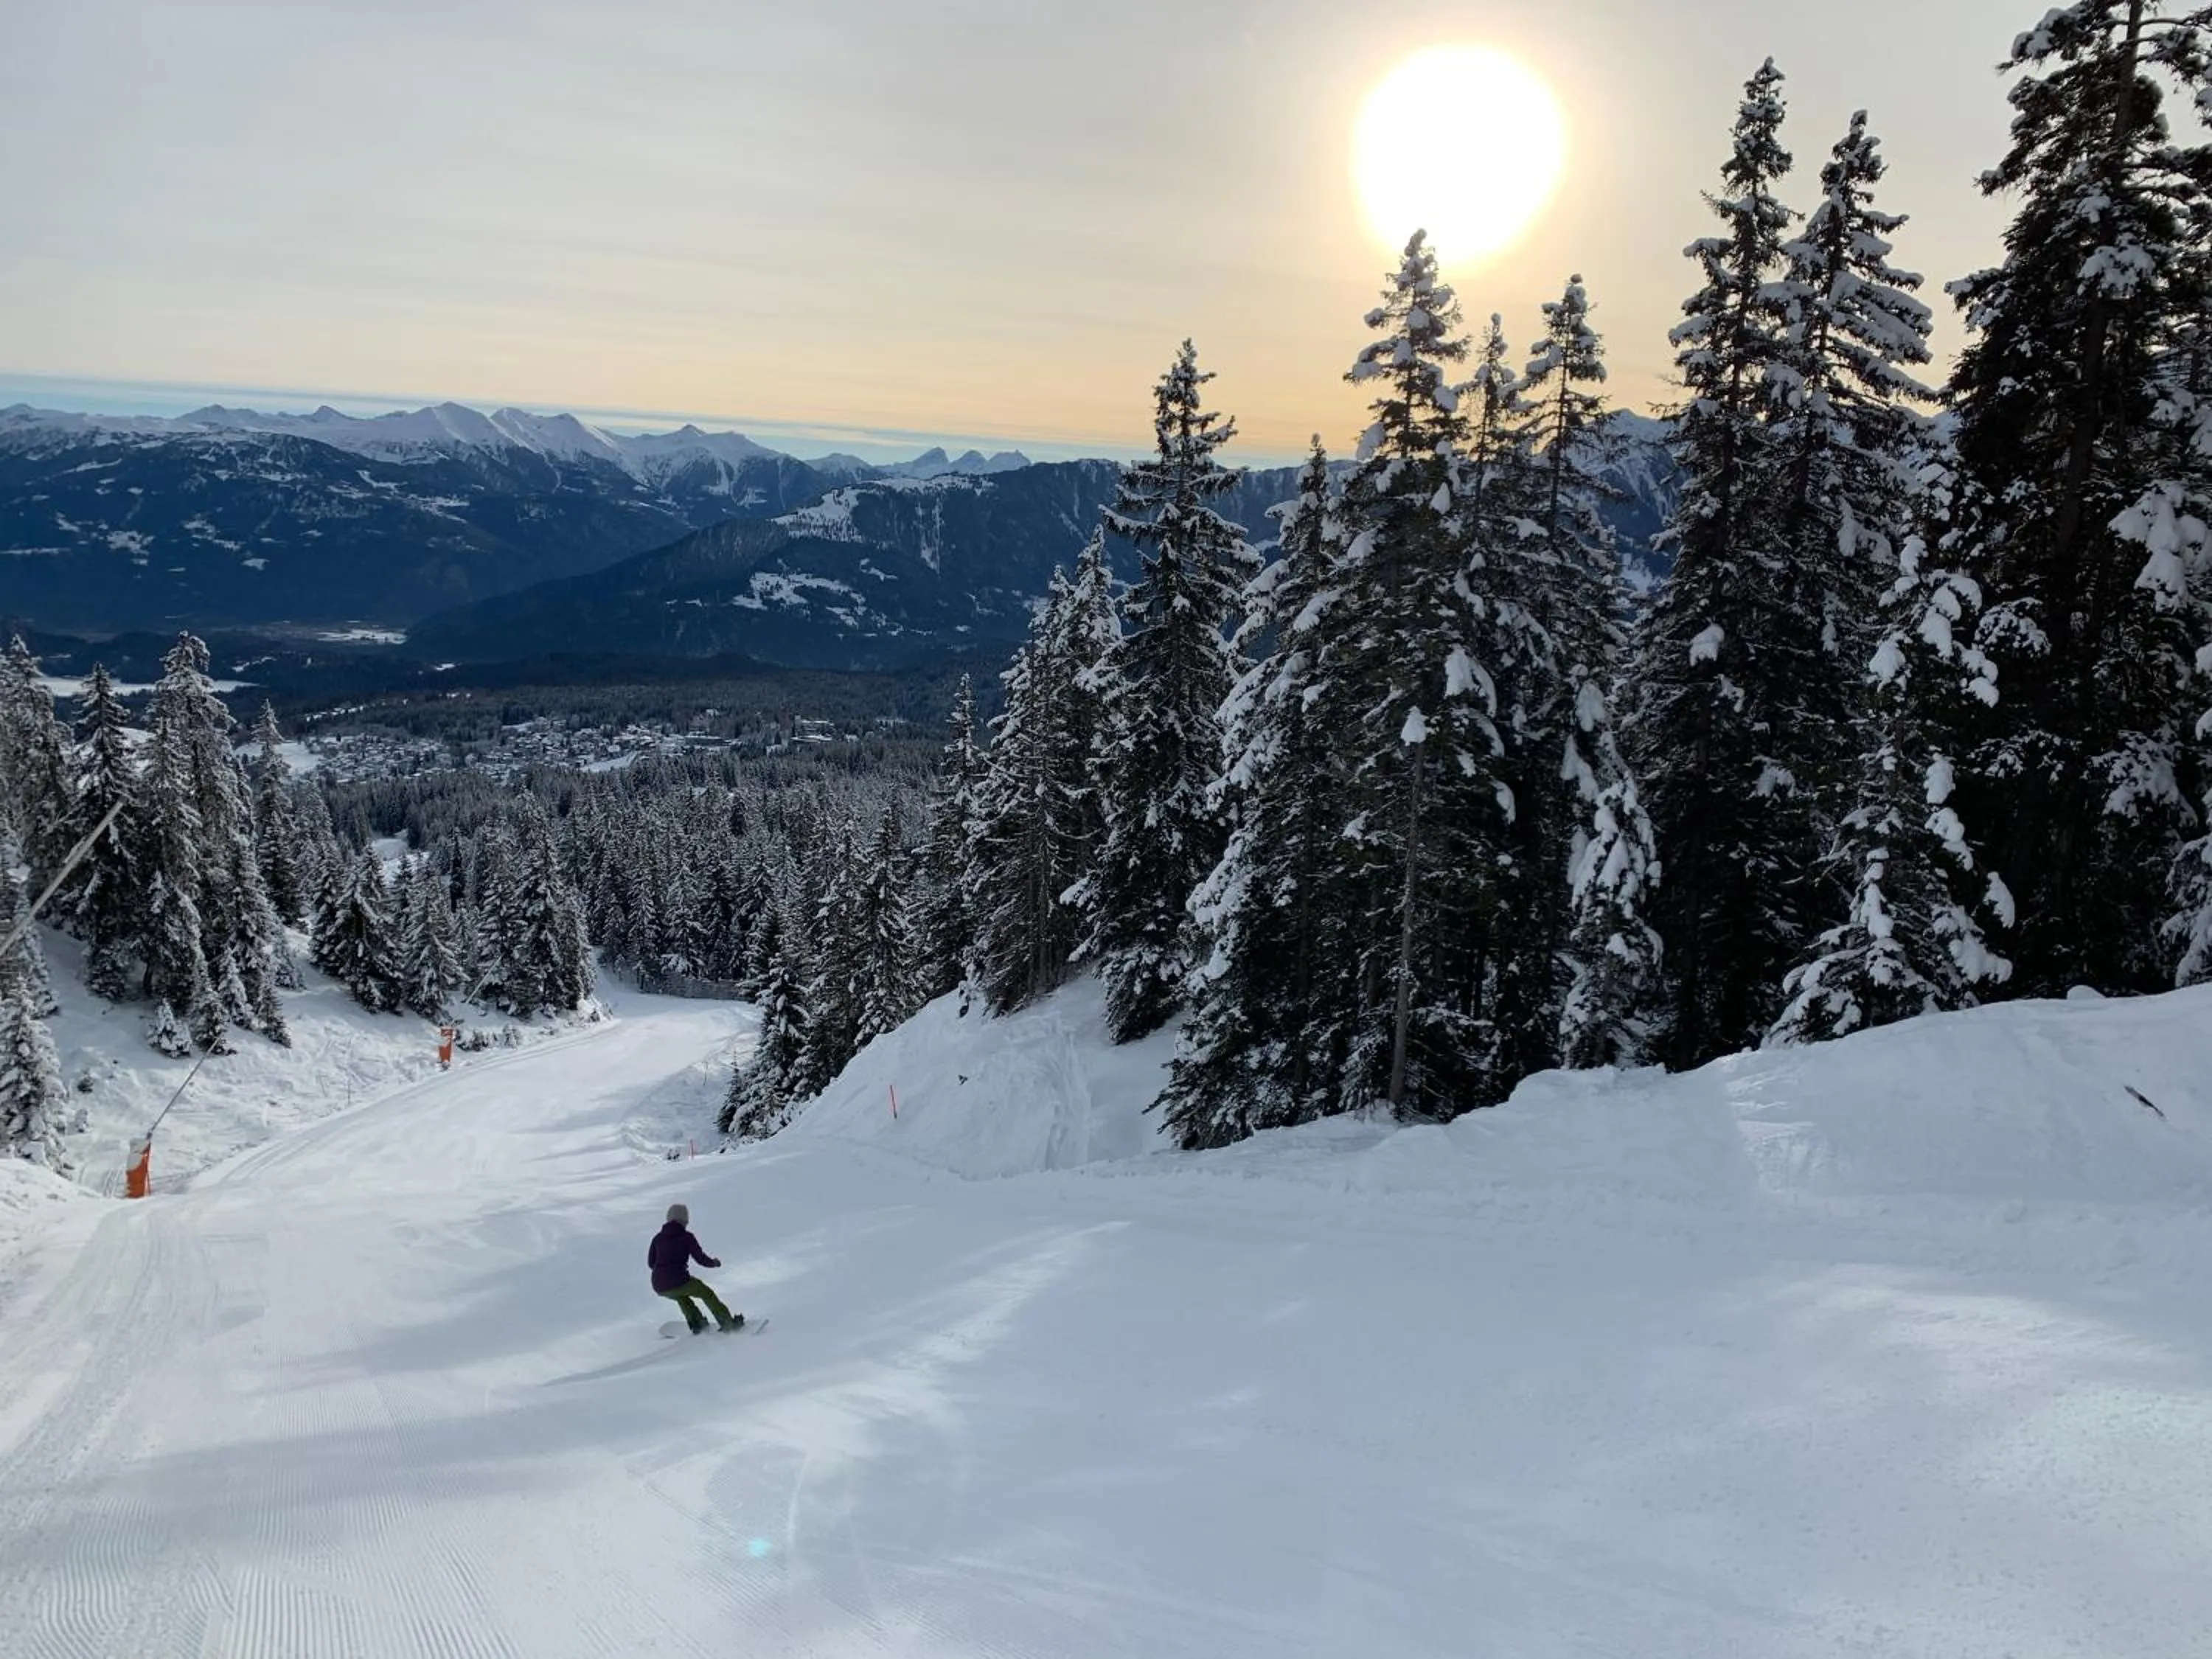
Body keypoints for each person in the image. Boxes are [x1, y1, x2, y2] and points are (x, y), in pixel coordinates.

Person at [648, 1203, 744, 1334]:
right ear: (685, 1220)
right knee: (706, 1293)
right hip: (679, 1280)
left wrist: (664, 1270)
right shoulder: (687, 1237)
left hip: (659, 1285)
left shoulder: (657, 1239)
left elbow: (651, 1263)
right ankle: (727, 1323)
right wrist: (714, 1263)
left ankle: (697, 1324)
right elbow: (701, 1259)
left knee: (681, 1296)